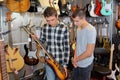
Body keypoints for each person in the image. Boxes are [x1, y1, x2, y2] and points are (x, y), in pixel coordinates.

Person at [32, 7, 70, 80]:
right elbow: (42, 41)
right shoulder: (44, 27)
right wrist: (36, 39)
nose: (50, 23)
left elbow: (66, 48)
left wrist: (65, 65)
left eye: (52, 20)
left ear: (57, 16)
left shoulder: (64, 28)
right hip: (49, 61)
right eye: (48, 21)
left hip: (60, 62)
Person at [71, 8, 97, 80]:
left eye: (77, 21)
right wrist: (75, 59)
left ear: (83, 18)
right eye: (74, 21)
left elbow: (89, 52)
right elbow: (77, 45)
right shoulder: (79, 28)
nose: (75, 23)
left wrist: (76, 59)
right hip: (77, 62)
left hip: (86, 64)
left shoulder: (91, 30)